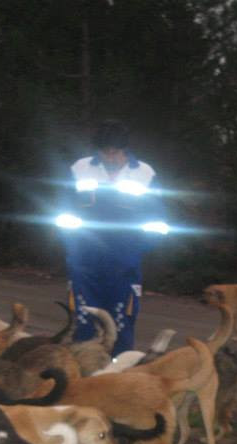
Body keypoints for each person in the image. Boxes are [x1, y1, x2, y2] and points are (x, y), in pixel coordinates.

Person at [57, 119, 168, 356]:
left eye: (114, 151)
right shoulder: (80, 169)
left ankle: (118, 373)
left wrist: (137, 250)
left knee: (122, 321)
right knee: (83, 320)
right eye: (104, 150)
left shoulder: (145, 174)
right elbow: (63, 211)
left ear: (124, 149)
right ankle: (84, 373)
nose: (109, 156)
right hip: (84, 263)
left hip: (124, 265)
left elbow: (158, 220)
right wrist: (72, 247)